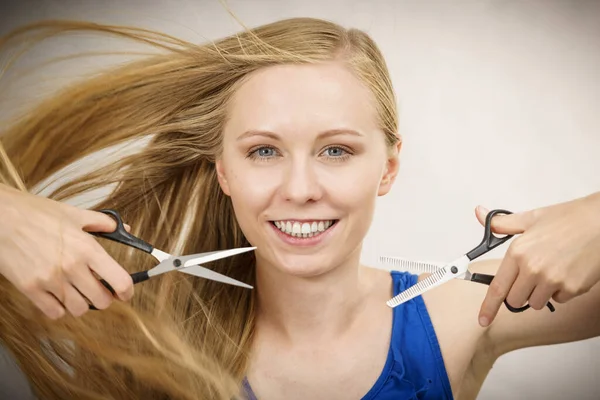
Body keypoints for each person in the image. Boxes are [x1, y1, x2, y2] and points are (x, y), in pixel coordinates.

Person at [0, 17, 599, 400]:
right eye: (264, 151)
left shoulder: (470, 313)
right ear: (224, 173)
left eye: (335, 150)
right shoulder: (145, 333)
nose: (300, 187)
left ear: (388, 167)